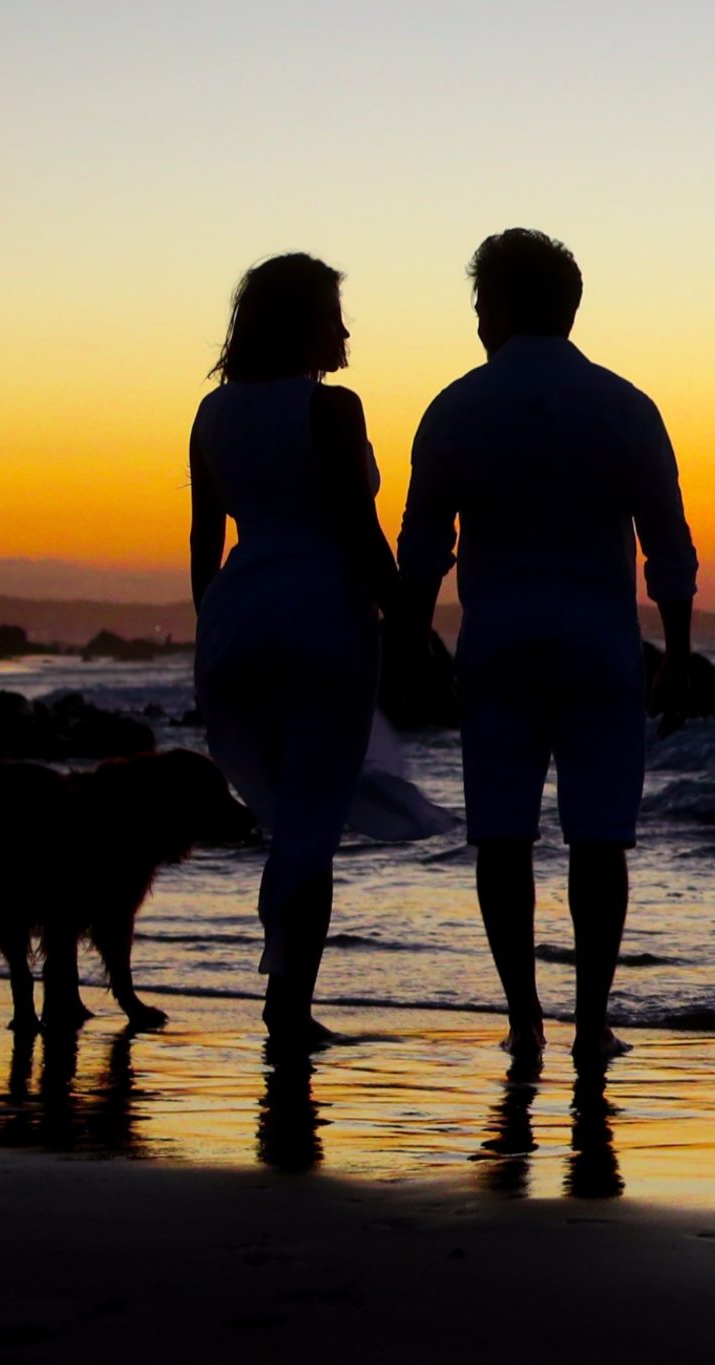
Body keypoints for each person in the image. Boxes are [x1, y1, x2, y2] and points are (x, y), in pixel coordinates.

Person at [398, 229, 698, 1063]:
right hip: (600, 643)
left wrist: (414, 635)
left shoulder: (456, 406)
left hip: (496, 643)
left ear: (490, 307)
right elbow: (666, 545)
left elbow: (423, 545)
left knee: (503, 834)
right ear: (570, 307)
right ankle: (592, 1021)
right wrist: (675, 650)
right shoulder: (625, 404)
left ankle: (524, 1017)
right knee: (601, 836)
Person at [191, 252, 451, 1047]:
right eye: (334, 313)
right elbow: (359, 534)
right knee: (313, 816)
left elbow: (206, 540)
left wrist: (212, 630)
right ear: (304, 322)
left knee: (288, 813)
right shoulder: (332, 410)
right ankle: (288, 1008)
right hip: (320, 616)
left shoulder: (213, 414)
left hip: (238, 618)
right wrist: (414, 624)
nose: (344, 330)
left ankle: (284, 996)